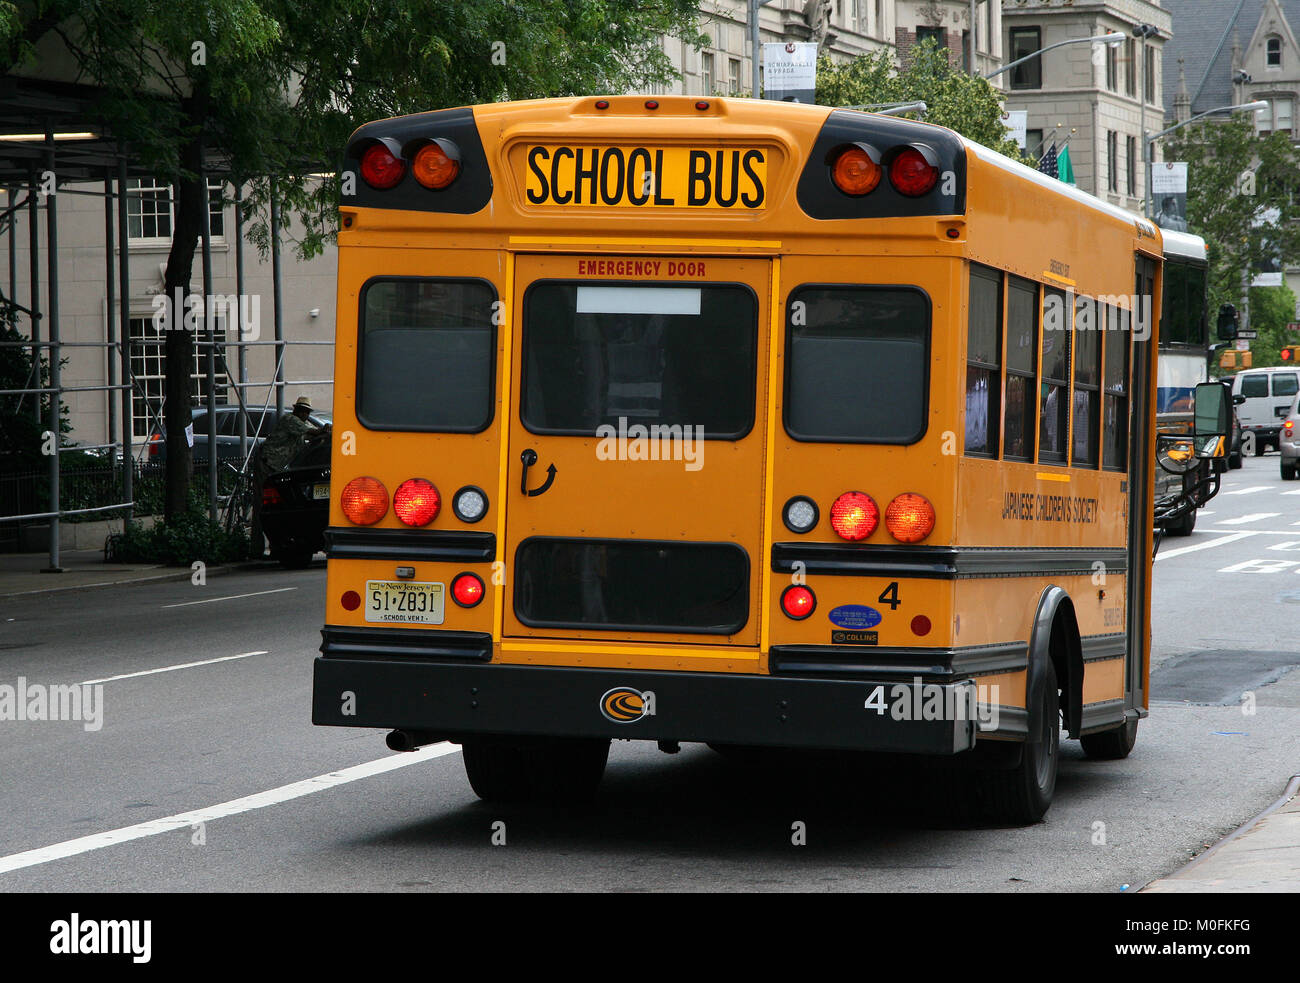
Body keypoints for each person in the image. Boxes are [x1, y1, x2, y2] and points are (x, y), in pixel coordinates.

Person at [250, 396, 330, 558]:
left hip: (277, 468)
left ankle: (275, 547)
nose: (305, 415)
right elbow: (313, 431)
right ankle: (256, 549)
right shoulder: (290, 420)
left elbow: (313, 436)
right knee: (262, 506)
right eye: (304, 411)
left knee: (272, 507)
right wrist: (325, 429)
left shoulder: (301, 424)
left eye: (307, 412)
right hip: (267, 464)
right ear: (299, 411)